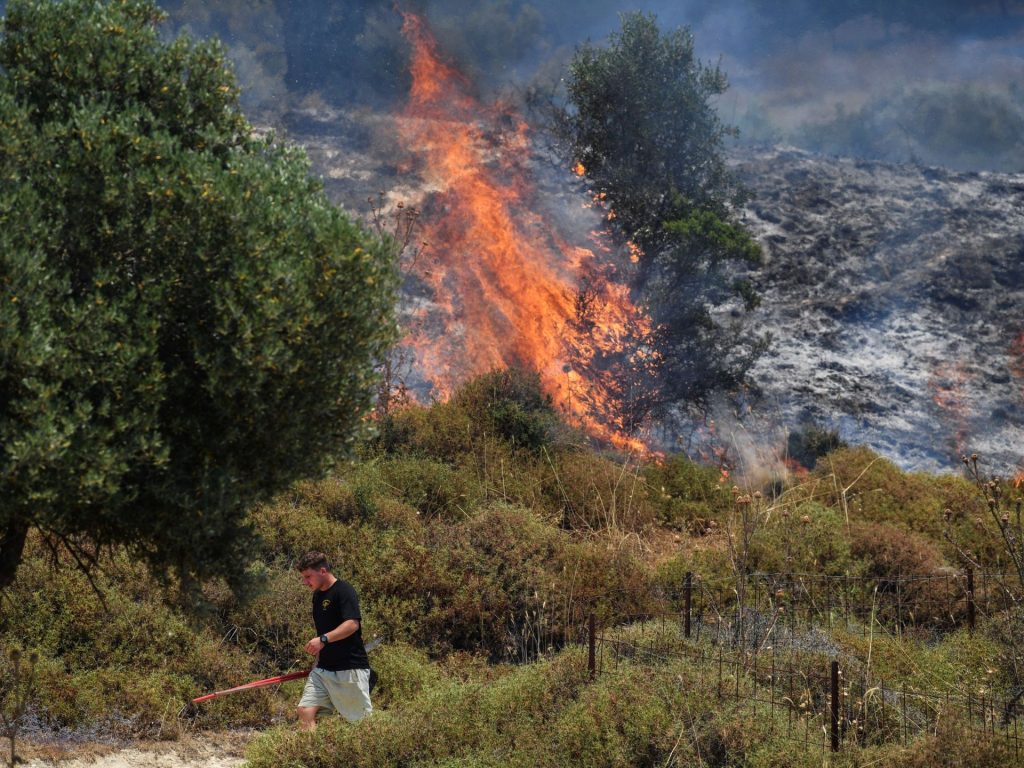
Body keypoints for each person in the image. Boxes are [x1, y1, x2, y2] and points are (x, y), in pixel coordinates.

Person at [294, 551, 372, 730]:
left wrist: (323, 639)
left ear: (322, 570)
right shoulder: (317, 596)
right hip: (324, 669)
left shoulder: (344, 590)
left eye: (308, 577)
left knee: (360, 723)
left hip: (350, 668)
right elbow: (322, 630)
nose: (306, 582)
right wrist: (317, 661)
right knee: (305, 710)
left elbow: (352, 624)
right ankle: (310, 756)